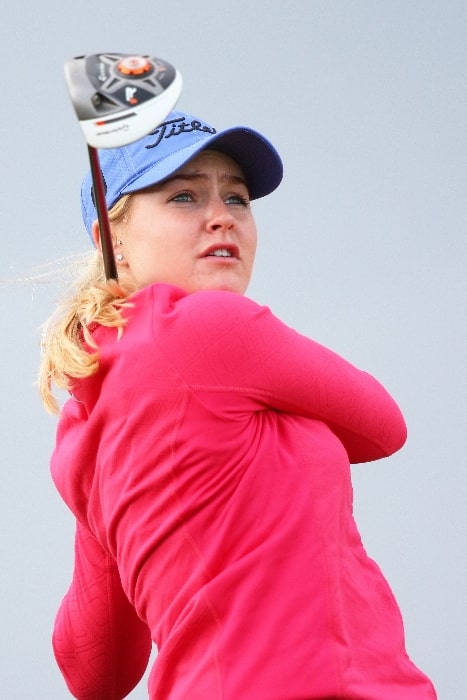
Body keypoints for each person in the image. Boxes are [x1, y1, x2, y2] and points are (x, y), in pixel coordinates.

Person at [40, 110, 437, 699]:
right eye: (183, 196)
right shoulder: (214, 326)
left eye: (238, 198)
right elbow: (383, 424)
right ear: (111, 238)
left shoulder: (84, 420)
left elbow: (95, 671)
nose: (222, 216)